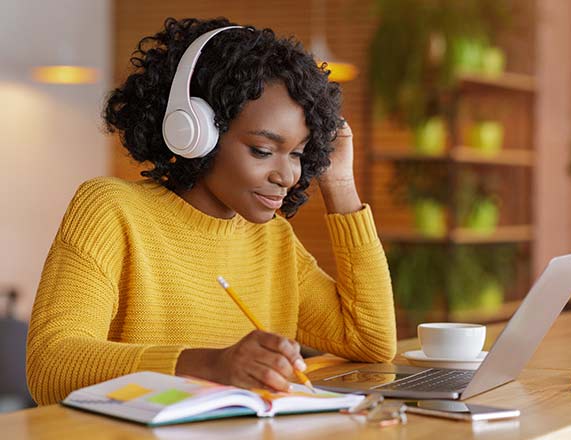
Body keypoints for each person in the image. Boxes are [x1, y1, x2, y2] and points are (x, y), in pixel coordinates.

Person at [26, 17, 396, 406]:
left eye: (300, 154)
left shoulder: (272, 238)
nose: (287, 175)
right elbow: (51, 366)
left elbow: (370, 341)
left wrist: (339, 184)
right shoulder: (111, 210)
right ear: (195, 132)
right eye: (263, 150)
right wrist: (209, 365)